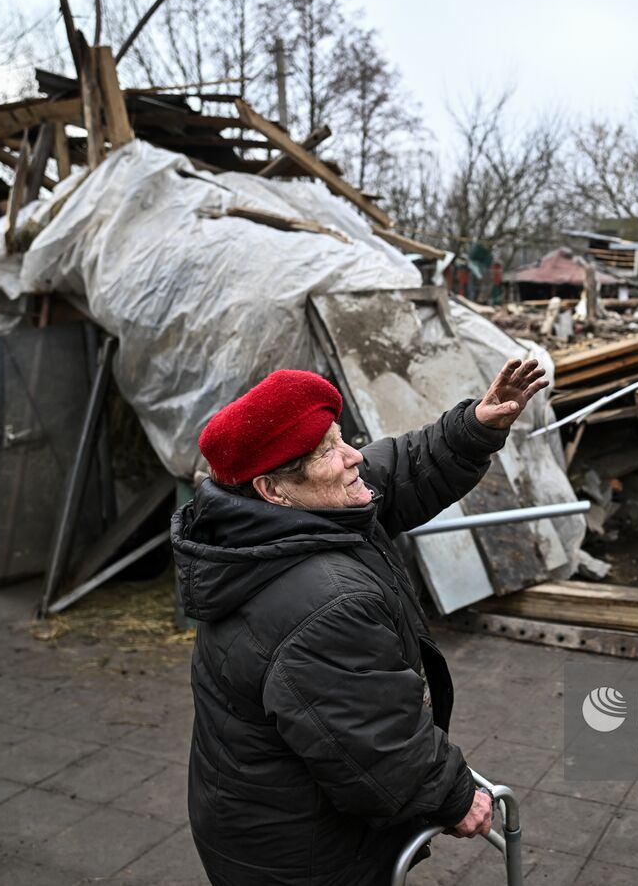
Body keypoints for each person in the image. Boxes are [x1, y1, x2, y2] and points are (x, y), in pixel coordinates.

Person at [172, 359, 548, 886]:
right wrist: (455, 795)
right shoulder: (324, 605)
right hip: (300, 854)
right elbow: (373, 734)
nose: (351, 456)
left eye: (339, 436)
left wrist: (475, 427)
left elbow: (397, 468)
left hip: (258, 808)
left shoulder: (277, 516)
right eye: (327, 451)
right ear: (273, 489)